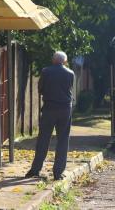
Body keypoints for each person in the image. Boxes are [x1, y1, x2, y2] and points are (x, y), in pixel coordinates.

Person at [25, 51, 75, 180]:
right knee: (63, 140)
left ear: (53, 60)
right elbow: (69, 88)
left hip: (49, 108)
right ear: (65, 61)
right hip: (65, 109)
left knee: (43, 139)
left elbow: (40, 88)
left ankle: (35, 169)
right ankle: (58, 172)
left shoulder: (46, 71)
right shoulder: (70, 73)